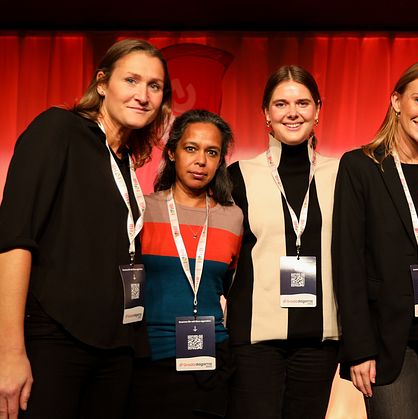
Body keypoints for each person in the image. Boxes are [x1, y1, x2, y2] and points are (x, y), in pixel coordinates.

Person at [0, 39, 171, 418]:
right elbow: (14, 240)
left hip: (115, 347)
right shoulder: (58, 129)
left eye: (154, 86)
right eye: (131, 80)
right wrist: (9, 352)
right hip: (55, 340)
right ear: (102, 84)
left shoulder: (123, 160)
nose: (142, 95)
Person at [333, 62, 418, 419]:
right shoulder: (359, 166)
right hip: (386, 340)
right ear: (396, 101)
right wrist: (358, 347)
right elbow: (348, 262)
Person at [226, 65, 340, 419]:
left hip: (320, 340)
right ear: (266, 113)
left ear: (318, 110)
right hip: (254, 339)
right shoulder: (238, 175)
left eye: (303, 103)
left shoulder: (343, 173)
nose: (293, 112)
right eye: (281, 104)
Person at [126, 109, 242, 418]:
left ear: (220, 161)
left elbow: (233, 287)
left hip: (211, 361)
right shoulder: (142, 211)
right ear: (172, 152)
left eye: (212, 152)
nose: (201, 160)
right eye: (191, 148)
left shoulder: (233, 218)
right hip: (149, 361)